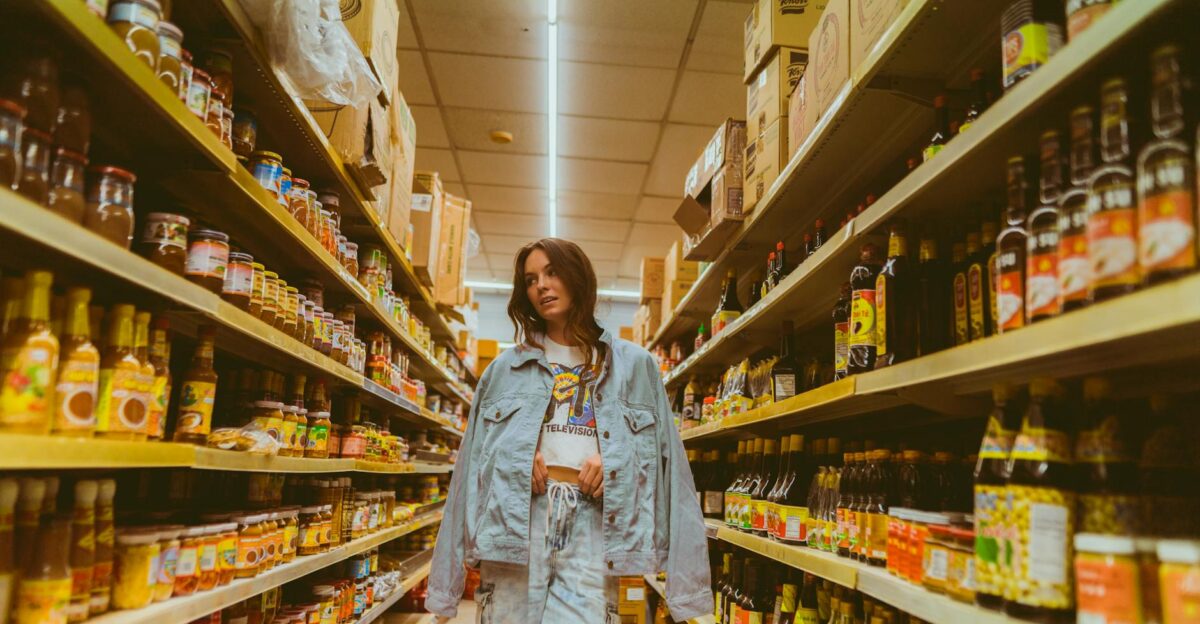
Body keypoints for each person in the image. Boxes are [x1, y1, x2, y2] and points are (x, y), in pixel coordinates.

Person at [427, 238, 713, 623]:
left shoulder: (636, 367)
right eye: (530, 280)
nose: (541, 286)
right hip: (518, 523)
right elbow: (467, 471)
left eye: (551, 272)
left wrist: (688, 594)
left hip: (596, 525)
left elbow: (673, 474)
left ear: (578, 277)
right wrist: (444, 591)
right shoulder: (502, 371)